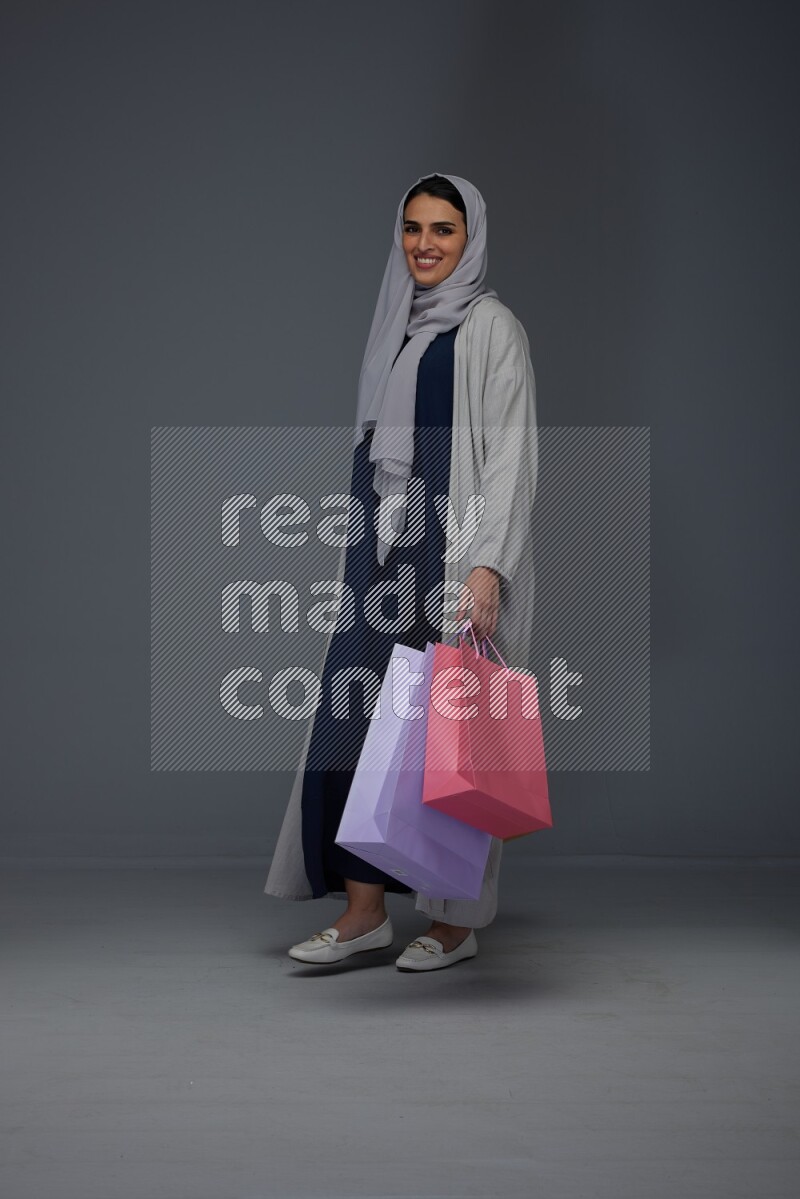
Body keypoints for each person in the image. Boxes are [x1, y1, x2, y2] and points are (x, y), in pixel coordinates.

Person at [264, 172, 538, 972]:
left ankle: (452, 921)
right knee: (354, 717)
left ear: (471, 237)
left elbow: (512, 459)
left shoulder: (492, 329)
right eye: (413, 228)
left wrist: (488, 567)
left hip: (452, 555)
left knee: (449, 735)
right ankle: (364, 911)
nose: (425, 244)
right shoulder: (396, 326)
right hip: (380, 552)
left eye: (443, 230)